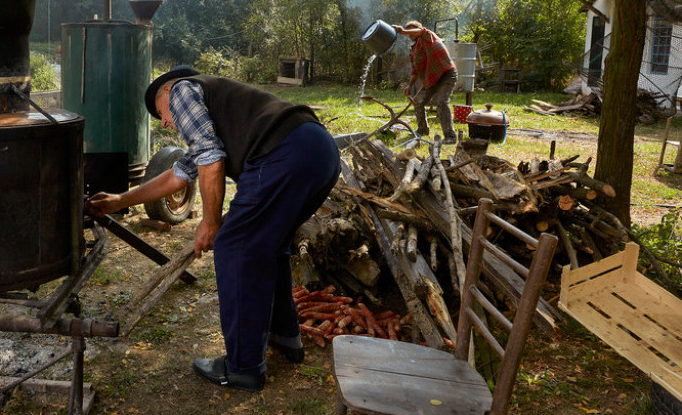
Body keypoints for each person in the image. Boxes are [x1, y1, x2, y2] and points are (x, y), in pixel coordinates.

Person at [85, 66, 341, 392]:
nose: (164, 121)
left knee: (235, 247)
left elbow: (211, 160)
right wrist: (120, 200)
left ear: (167, 91)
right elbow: (178, 175)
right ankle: (285, 336)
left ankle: (243, 368)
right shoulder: (212, 114)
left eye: (159, 112)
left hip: (284, 152)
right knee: (268, 246)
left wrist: (210, 221)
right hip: (320, 152)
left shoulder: (181, 91)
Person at [393, 20, 458, 144]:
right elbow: (415, 71)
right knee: (418, 102)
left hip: (446, 74)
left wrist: (403, 31)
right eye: (408, 33)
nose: (410, 34)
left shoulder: (428, 36)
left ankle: (451, 136)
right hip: (432, 79)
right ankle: (422, 130)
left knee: (442, 102)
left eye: (412, 31)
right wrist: (409, 85)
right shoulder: (413, 51)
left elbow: (421, 32)